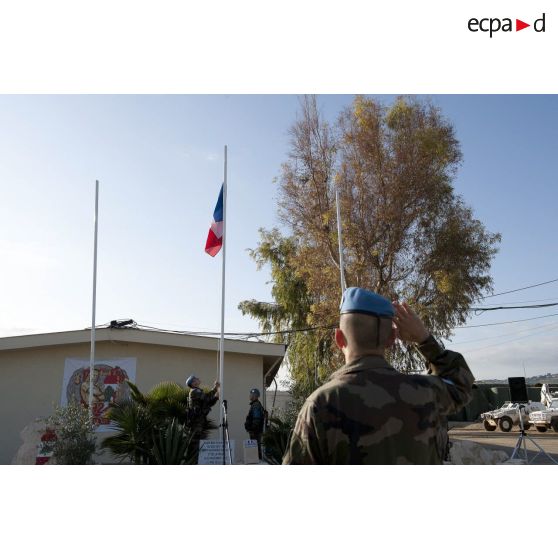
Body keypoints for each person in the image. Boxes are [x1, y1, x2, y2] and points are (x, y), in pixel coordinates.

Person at [282, 287, 475, 465]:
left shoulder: (320, 404)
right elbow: (462, 384)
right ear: (392, 339)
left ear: (338, 338)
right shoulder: (427, 392)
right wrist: (423, 338)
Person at [186, 375, 220, 449]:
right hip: (196, 420)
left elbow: (207, 403)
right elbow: (207, 398)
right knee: (196, 440)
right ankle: (195, 458)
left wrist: (215, 397)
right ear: (193, 383)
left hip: (199, 419)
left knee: (199, 440)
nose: (198, 379)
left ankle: (197, 458)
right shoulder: (195, 391)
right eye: (196, 379)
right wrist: (215, 388)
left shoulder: (197, 391)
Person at [244, 388, 266, 460]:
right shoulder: (255, 404)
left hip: (255, 432)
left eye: (251, 394)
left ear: (254, 396)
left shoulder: (256, 405)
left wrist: (252, 429)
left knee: (255, 449)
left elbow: (256, 419)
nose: (249, 396)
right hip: (256, 431)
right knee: (256, 449)